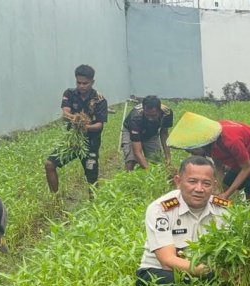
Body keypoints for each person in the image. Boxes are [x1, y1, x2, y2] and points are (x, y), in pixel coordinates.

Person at [136, 155, 231, 286]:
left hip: (207, 272)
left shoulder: (224, 210)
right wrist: (206, 271)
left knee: (233, 282)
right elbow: (167, 261)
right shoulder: (161, 209)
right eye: (192, 181)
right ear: (178, 182)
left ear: (214, 186)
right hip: (161, 272)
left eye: (206, 183)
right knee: (176, 283)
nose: (199, 189)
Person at [173, 113, 250, 205]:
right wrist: (219, 189)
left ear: (201, 145)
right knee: (225, 185)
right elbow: (219, 167)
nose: (192, 154)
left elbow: (246, 168)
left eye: (193, 151)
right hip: (240, 162)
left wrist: (226, 194)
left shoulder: (231, 140)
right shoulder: (211, 138)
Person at [44, 64, 108, 194]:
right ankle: (55, 200)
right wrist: (77, 119)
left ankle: (94, 204)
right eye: (79, 82)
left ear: (92, 82)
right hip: (72, 141)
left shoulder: (99, 100)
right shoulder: (69, 93)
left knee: (92, 179)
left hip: (90, 143)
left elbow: (99, 125)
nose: (82, 86)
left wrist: (86, 127)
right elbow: (65, 113)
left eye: (85, 83)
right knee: (49, 164)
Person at [121, 95, 173, 171]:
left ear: (159, 111)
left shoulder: (166, 113)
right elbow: (137, 152)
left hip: (151, 134)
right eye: (147, 115)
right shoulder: (135, 118)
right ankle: (127, 180)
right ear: (144, 110)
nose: (150, 118)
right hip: (130, 132)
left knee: (156, 160)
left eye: (153, 115)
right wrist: (149, 171)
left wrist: (168, 157)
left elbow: (164, 133)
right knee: (131, 161)